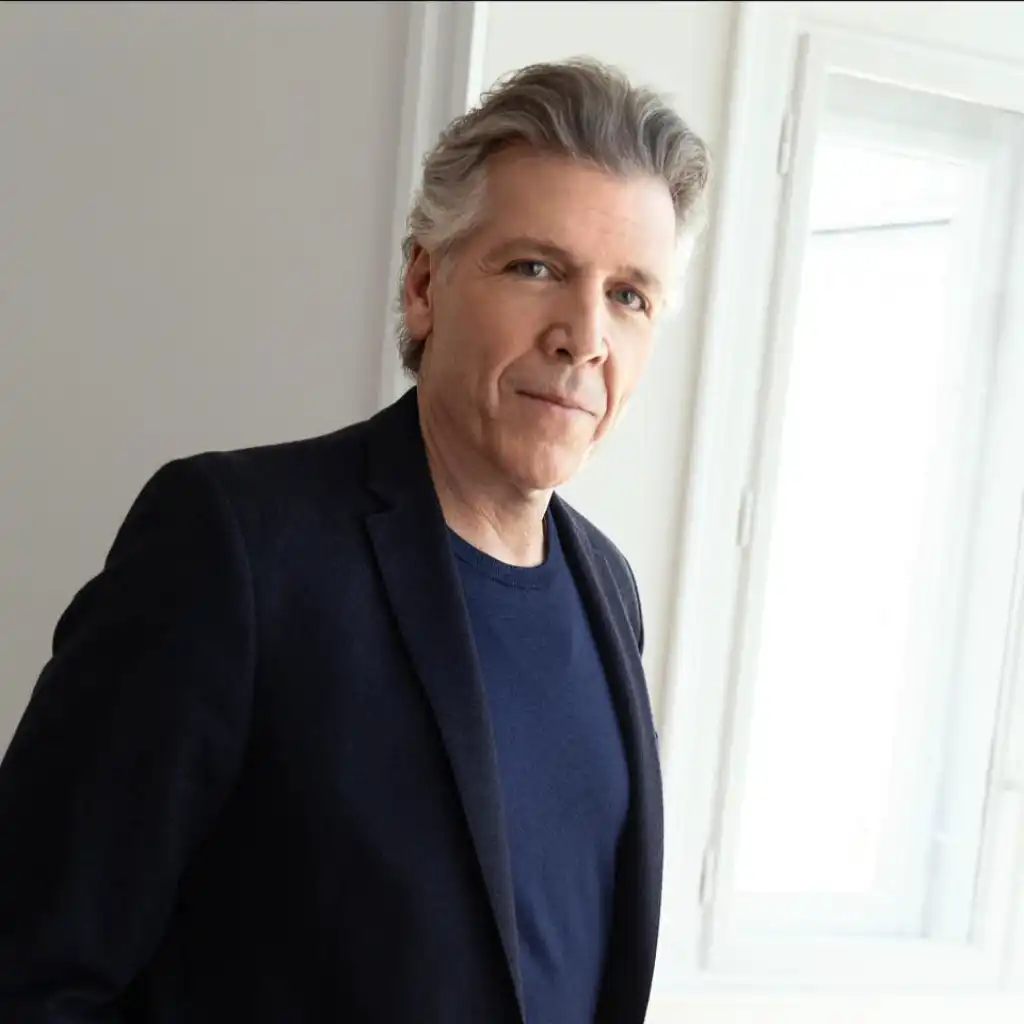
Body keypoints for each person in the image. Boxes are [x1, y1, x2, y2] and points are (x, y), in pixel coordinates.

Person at [0, 58, 709, 1023]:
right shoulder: (235, 548)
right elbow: (31, 972)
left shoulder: (610, 591)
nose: (584, 335)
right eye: (536, 268)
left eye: (629, 295)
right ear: (423, 284)